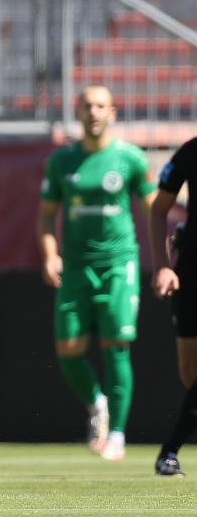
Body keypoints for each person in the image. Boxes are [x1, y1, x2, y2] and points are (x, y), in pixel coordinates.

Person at [37, 85, 156, 461]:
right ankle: (97, 401)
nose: (93, 112)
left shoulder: (130, 159)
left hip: (119, 264)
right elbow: (45, 214)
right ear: (79, 111)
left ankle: (117, 435)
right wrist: (50, 254)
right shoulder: (62, 161)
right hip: (74, 266)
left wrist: (166, 256)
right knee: (68, 349)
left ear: (112, 113)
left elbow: (155, 207)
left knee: (116, 347)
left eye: (100, 106)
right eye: (87, 105)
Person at [149, 136, 197, 476]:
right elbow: (159, 208)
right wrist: (163, 265)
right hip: (191, 272)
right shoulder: (191, 152)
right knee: (190, 373)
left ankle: (170, 449)